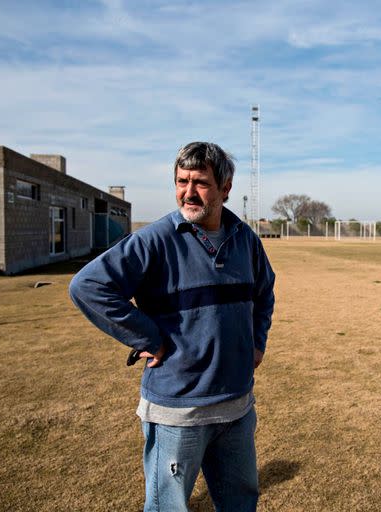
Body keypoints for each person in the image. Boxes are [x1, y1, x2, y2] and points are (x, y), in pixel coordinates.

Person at [69, 141, 275, 512]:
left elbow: (264, 293)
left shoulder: (246, 240)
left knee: (241, 503)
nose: (189, 192)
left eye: (201, 183)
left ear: (226, 188)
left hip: (236, 408)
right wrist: (147, 336)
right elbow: (88, 287)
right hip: (178, 413)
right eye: (182, 181)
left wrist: (257, 341)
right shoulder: (154, 240)